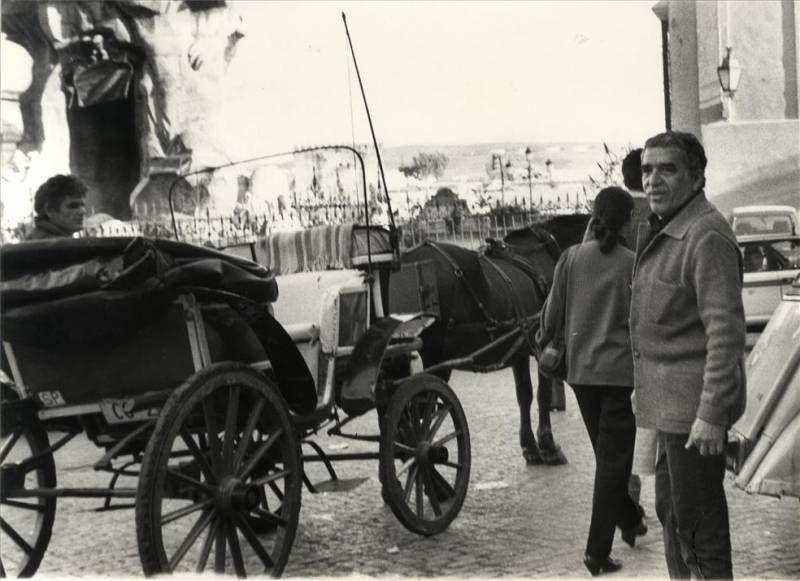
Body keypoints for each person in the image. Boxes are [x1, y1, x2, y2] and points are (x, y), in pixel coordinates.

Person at [631, 131, 746, 579]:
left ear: (697, 177)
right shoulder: (668, 229)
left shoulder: (705, 235)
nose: (653, 180)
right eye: (646, 170)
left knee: (699, 529)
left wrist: (712, 413)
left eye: (667, 169)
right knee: (672, 514)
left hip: (694, 414)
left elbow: (726, 334)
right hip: (668, 410)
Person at [543, 186, 647, 576]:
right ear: (628, 221)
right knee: (613, 465)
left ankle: (631, 518)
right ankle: (597, 553)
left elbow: (550, 318)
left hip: (581, 375)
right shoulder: (634, 264)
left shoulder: (570, 258)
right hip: (621, 377)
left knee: (609, 462)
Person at [26, 174, 87, 240]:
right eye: (73, 206)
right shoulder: (58, 245)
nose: (83, 211)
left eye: (82, 205)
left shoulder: (36, 239)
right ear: (49, 210)